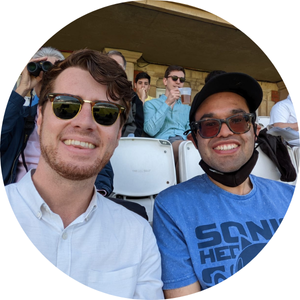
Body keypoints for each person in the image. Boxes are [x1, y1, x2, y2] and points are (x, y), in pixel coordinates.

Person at [5, 49, 163, 299]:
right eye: (65, 106)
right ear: (40, 117)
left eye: (106, 113)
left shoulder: (138, 235)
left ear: (119, 133)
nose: (85, 122)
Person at [152, 72, 294, 298]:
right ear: (194, 141)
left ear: (256, 131)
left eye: (237, 121)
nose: (225, 132)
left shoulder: (290, 196)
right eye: (209, 125)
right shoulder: (172, 208)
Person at [1, 47, 114, 196]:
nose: (48, 78)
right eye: (43, 71)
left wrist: (95, 197)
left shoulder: (80, 117)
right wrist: (23, 87)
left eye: (56, 72)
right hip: (19, 196)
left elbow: (99, 161)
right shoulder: (19, 116)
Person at [143, 65, 190, 177]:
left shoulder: (187, 107)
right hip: (162, 144)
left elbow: (189, 130)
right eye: (174, 78)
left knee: (190, 149)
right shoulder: (151, 104)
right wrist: (167, 103)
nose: (178, 82)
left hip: (184, 143)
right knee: (183, 148)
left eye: (181, 80)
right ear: (165, 81)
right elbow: (150, 130)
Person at [106, 50, 144, 137]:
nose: (114, 68)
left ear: (124, 69)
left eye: (118, 66)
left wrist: (130, 138)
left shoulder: (132, 96)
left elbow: (138, 123)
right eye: (111, 64)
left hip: (125, 141)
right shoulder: (95, 90)